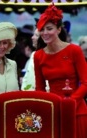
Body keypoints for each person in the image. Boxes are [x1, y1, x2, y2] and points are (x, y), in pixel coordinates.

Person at [34, 3, 87, 137]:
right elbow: (39, 88)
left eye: (49, 28)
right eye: (42, 29)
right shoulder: (38, 55)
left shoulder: (74, 50)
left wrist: (70, 103)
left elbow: (86, 83)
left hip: (76, 110)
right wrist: (44, 108)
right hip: (53, 110)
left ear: (58, 30)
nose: (45, 33)